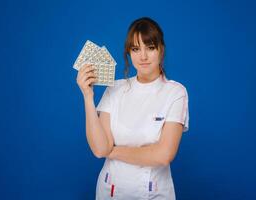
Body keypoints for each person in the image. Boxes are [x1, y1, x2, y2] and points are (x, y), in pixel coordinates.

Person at [76, 17, 189, 200]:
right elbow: (99, 149)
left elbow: (163, 155)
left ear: (161, 50)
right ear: (129, 52)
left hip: (152, 193)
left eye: (150, 48)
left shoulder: (175, 92)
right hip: (109, 191)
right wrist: (88, 97)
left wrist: (113, 151)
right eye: (136, 49)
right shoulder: (115, 88)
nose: (142, 56)